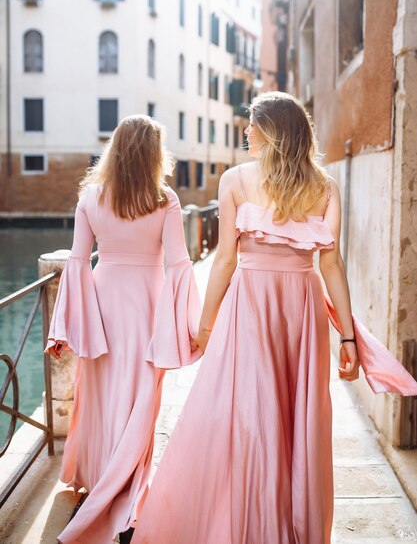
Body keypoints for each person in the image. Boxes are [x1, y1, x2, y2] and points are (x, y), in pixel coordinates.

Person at [131, 92, 417, 544]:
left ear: (271, 130)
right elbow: (331, 265)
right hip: (299, 310)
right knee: (293, 416)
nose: (246, 131)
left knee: (245, 415)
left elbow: (225, 259)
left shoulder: (235, 181)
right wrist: (346, 339)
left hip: (251, 306)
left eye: (252, 124)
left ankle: (248, 524)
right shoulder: (325, 187)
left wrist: (206, 327)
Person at [45, 115, 201, 544]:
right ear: (154, 154)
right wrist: (191, 324)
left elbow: (76, 263)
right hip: (146, 309)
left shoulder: (91, 196)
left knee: (98, 399)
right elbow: (179, 264)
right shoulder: (164, 199)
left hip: (103, 305)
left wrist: (63, 328)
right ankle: (127, 493)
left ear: (115, 148)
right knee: (139, 401)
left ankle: (100, 483)